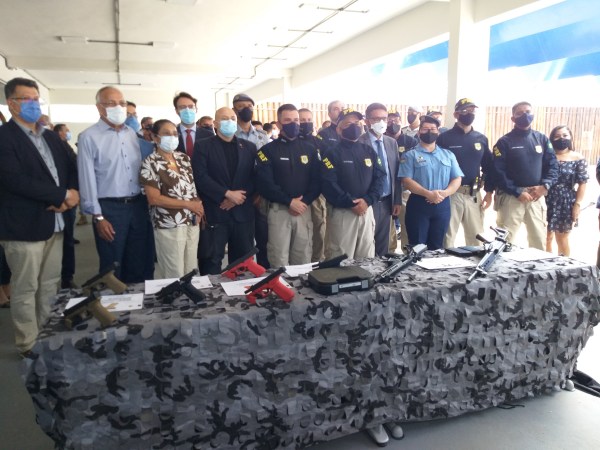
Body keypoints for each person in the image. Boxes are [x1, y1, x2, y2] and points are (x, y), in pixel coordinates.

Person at [0, 77, 79, 355]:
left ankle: (47, 332)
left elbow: (71, 165)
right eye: (27, 99)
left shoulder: (49, 136)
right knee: (25, 287)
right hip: (23, 225)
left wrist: (72, 193)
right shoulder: (4, 138)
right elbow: (14, 180)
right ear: (11, 104)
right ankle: (28, 343)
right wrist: (60, 195)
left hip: (55, 222)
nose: (34, 104)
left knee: (49, 284)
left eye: (36, 99)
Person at [78, 86, 154, 282]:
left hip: (137, 205)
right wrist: (98, 217)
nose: (118, 107)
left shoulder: (131, 134)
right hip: (110, 209)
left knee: (138, 261)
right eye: (111, 103)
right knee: (112, 264)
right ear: (99, 107)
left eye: (122, 103)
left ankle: (136, 300)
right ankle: (113, 301)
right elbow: (87, 179)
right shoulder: (89, 137)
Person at [192, 107, 257, 275]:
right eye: (225, 118)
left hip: (242, 213)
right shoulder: (202, 146)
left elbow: (254, 177)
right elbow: (200, 177)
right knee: (211, 262)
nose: (230, 122)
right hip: (215, 211)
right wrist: (227, 194)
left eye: (233, 118)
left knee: (242, 263)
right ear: (215, 123)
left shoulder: (249, 147)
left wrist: (237, 198)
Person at [256, 104, 320, 267]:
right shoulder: (266, 151)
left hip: (304, 210)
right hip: (279, 211)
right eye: (288, 120)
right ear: (278, 124)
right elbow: (265, 184)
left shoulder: (310, 149)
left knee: (303, 259)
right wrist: (289, 201)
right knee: (279, 259)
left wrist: (304, 202)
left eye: (296, 120)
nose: (294, 124)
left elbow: (317, 181)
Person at [139, 119, 204, 278]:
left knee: (191, 269)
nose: (172, 137)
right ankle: (174, 295)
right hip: (168, 224)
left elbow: (191, 188)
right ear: (155, 137)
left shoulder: (184, 158)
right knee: (174, 272)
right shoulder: (150, 163)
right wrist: (188, 205)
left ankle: (189, 294)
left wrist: (198, 208)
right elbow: (154, 199)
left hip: (191, 221)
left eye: (175, 134)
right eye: (167, 134)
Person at [492, 101, 558, 249]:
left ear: (533, 114)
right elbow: (498, 172)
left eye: (528, 112)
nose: (524, 115)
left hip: (536, 196)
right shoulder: (504, 142)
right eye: (520, 113)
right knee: (504, 243)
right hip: (511, 197)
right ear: (513, 118)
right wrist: (517, 191)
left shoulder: (542, 139)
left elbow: (553, 166)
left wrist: (545, 186)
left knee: (539, 241)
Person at [320, 108, 385, 259]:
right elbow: (329, 183)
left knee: (367, 258)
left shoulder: (368, 151)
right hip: (343, 212)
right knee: (341, 259)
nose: (354, 126)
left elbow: (380, 177)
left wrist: (368, 200)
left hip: (366, 210)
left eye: (357, 123)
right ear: (339, 129)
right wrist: (351, 202)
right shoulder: (331, 153)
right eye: (349, 124)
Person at [397, 115, 464, 250]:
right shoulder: (410, 155)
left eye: (433, 129)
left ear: (438, 132)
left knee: (437, 247)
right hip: (419, 204)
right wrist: (428, 194)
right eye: (425, 129)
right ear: (418, 132)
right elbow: (406, 180)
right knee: (417, 247)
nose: (429, 132)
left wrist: (444, 193)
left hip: (442, 204)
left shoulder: (448, 155)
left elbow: (457, 178)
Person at [437, 98, 495, 248]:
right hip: (451, 195)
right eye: (465, 111)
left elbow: (489, 166)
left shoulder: (481, 139)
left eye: (472, 110)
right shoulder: (444, 138)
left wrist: (489, 192)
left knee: (477, 239)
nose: (469, 114)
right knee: (447, 238)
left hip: (473, 195)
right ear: (456, 114)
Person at [358, 103, 402, 256]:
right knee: (366, 246)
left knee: (383, 247)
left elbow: (395, 173)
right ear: (367, 121)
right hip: (367, 202)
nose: (381, 122)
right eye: (376, 119)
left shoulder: (391, 142)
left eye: (384, 118)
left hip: (387, 202)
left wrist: (397, 200)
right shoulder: (359, 142)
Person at [232, 93, 270, 268]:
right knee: (243, 243)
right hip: (238, 194)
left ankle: (265, 274)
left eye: (249, 106)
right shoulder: (230, 134)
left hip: (260, 194)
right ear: (234, 110)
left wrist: (261, 192)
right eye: (241, 106)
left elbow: (268, 166)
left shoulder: (262, 136)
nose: (246, 109)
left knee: (264, 239)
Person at [545, 125, 588, 256]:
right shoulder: (547, 156)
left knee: (562, 238)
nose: (561, 138)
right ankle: (545, 263)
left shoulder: (578, 158)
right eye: (557, 136)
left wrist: (577, 205)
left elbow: (582, 183)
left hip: (566, 201)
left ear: (570, 137)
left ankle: (563, 265)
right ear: (552, 139)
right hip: (545, 198)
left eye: (565, 135)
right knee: (546, 237)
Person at [385, 111, 419, 252]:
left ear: (401, 122)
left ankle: (407, 254)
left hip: (406, 190)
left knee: (408, 225)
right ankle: (389, 254)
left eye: (396, 120)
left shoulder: (411, 142)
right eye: (389, 120)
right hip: (387, 191)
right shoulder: (382, 141)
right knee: (387, 227)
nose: (393, 123)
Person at [299, 107, 328, 262]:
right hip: (299, 196)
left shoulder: (319, 143)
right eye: (302, 120)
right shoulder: (293, 143)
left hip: (318, 195)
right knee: (301, 234)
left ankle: (317, 262)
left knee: (319, 230)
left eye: (309, 120)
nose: (306, 123)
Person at [53, 123, 80, 288]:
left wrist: (72, 193)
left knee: (67, 240)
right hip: (47, 202)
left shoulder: (63, 146)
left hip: (66, 202)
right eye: (66, 131)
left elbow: (73, 168)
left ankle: (67, 278)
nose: (68, 133)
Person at [173, 92, 213, 158]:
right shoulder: (171, 135)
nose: (187, 110)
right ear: (176, 111)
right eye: (182, 107)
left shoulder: (208, 135)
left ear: (196, 109)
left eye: (191, 106)